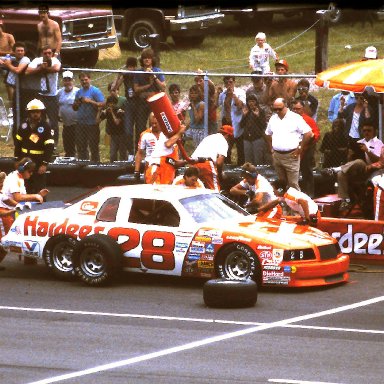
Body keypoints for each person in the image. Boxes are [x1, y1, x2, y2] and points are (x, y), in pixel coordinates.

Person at [321, 121, 384, 211]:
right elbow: (351, 162)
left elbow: (379, 161)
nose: (366, 132)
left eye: (369, 130)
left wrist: (367, 151)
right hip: (357, 171)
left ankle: (334, 170)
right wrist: (350, 155)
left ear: (374, 131)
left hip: (370, 172)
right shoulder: (358, 142)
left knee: (359, 162)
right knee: (341, 174)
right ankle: (345, 200)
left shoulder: (378, 143)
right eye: (364, 130)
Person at [0, 158, 48, 270]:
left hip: (12, 211)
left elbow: (17, 200)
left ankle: (29, 259)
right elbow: (17, 197)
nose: (31, 174)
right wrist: (35, 196)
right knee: (6, 241)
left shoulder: (19, 178)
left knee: (8, 240)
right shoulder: (14, 179)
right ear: (23, 169)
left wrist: (37, 195)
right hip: (4, 212)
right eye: (30, 171)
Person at [265, 97, 313, 191]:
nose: (277, 111)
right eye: (275, 109)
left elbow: (309, 133)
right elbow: (267, 134)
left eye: (280, 109)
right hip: (277, 155)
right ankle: (284, 204)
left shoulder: (295, 118)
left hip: (291, 155)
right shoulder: (273, 118)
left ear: (286, 106)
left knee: (293, 185)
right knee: (281, 184)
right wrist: (271, 148)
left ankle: (297, 204)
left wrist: (300, 148)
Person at [14, 99, 54, 194]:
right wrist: (16, 159)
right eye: (32, 112)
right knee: (24, 186)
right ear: (29, 112)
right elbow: (18, 144)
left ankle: (41, 207)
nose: (35, 114)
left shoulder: (46, 127)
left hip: (38, 161)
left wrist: (44, 164)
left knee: (39, 187)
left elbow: (50, 147)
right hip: (24, 160)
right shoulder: (23, 125)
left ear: (41, 112)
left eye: (37, 112)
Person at [25, 44, 61, 145]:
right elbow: (28, 71)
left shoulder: (55, 60)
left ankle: (53, 143)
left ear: (52, 53)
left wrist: (44, 69)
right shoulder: (37, 60)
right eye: (45, 53)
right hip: (40, 95)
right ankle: (36, 142)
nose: (47, 55)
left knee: (53, 122)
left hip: (52, 96)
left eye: (49, 53)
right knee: (37, 121)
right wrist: (40, 68)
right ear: (42, 53)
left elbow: (56, 69)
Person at [133, 48, 166, 147]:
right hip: (142, 103)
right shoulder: (138, 72)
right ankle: (139, 149)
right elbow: (136, 89)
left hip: (155, 103)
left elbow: (163, 87)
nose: (147, 60)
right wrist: (148, 86)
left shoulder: (157, 71)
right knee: (140, 127)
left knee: (155, 125)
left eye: (149, 58)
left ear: (152, 59)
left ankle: (156, 147)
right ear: (142, 60)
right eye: (144, 58)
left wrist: (154, 76)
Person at [72, 71, 105, 162]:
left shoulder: (95, 91)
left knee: (93, 147)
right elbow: (74, 108)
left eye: (86, 80)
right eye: (82, 80)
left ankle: (95, 166)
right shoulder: (79, 92)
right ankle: (83, 164)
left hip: (92, 123)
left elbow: (102, 104)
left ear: (89, 79)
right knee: (81, 146)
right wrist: (77, 103)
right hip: (80, 123)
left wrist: (90, 101)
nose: (84, 82)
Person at [190, 124, 234, 191]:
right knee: (214, 192)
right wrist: (220, 174)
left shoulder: (209, 137)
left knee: (195, 190)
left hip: (193, 163)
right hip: (206, 164)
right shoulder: (223, 141)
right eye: (230, 138)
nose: (229, 141)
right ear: (227, 135)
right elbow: (219, 162)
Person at [291, 99, 321, 198]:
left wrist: (307, 144)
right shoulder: (289, 120)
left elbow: (316, 134)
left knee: (306, 171)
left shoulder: (308, 120)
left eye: (298, 109)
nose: (296, 111)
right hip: (292, 149)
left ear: (302, 109)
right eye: (294, 109)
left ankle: (310, 193)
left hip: (306, 148)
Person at [111, 56, 139, 155]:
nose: (131, 69)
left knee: (139, 130)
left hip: (139, 103)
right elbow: (114, 88)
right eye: (129, 67)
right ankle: (131, 153)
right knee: (128, 131)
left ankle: (138, 152)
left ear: (136, 67)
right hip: (129, 103)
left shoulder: (139, 74)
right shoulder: (125, 76)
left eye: (132, 67)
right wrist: (118, 76)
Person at [0, 41, 30, 131]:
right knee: (16, 110)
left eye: (22, 50)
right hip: (15, 88)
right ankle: (16, 130)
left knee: (24, 112)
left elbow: (18, 70)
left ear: (24, 52)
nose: (20, 52)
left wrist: (7, 64)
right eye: (18, 51)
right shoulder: (12, 58)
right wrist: (3, 61)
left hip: (25, 90)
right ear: (14, 52)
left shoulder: (26, 59)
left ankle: (24, 129)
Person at [218, 76, 246, 165]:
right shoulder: (223, 94)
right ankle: (227, 165)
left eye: (230, 82)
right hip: (226, 122)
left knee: (240, 146)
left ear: (234, 82)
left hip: (237, 122)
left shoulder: (240, 92)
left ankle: (241, 166)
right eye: (226, 83)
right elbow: (218, 105)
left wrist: (233, 96)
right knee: (226, 146)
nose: (229, 84)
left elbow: (241, 106)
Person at [240, 93, 270, 166]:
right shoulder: (246, 111)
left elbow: (263, 125)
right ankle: (248, 176)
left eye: (253, 101)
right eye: (249, 101)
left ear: (256, 102)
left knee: (258, 160)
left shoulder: (261, 111)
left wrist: (257, 116)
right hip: (247, 139)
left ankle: (259, 176)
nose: (251, 103)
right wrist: (244, 116)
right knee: (248, 161)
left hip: (257, 139)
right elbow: (241, 125)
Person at [134, 112, 163, 183]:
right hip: (150, 166)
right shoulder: (145, 134)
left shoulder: (167, 134)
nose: (154, 125)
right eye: (152, 123)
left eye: (156, 123)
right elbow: (139, 153)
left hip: (164, 166)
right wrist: (136, 171)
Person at [97, 95, 127, 162]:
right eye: (109, 103)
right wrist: (99, 111)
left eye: (112, 103)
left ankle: (124, 166)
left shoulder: (119, 110)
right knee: (113, 154)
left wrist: (112, 112)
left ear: (115, 103)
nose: (110, 105)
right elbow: (98, 121)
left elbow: (117, 122)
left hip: (122, 134)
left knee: (122, 153)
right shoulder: (107, 111)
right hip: (113, 135)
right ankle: (113, 166)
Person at [57, 70, 78, 157]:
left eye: (69, 80)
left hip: (76, 124)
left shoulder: (77, 92)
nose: (67, 82)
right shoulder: (60, 92)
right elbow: (57, 104)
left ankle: (77, 159)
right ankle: (68, 157)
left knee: (76, 143)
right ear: (63, 81)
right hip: (66, 124)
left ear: (73, 81)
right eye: (65, 80)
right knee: (67, 143)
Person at [194, 69, 218, 134]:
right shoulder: (196, 92)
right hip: (201, 120)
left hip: (211, 120)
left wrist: (203, 75)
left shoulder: (209, 90)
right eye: (196, 81)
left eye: (200, 80)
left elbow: (212, 86)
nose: (198, 83)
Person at [0, 22, 16, 104]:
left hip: (8, 57)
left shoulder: (9, 37)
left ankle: (11, 101)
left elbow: (14, 51)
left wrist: (4, 55)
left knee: (8, 81)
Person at [186, 84, 205, 148]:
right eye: (191, 93)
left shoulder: (201, 104)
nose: (193, 95)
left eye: (195, 93)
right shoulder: (190, 104)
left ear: (199, 94)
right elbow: (192, 120)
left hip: (199, 130)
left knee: (198, 150)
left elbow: (197, 120)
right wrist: (184, 128)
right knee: (180, 137)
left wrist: (193, 106)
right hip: (192, 129)